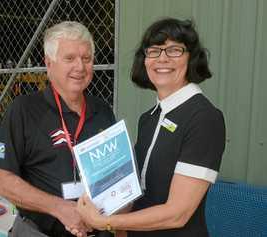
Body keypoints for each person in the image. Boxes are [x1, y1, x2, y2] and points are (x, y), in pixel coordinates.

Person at [76, 18, 226, 237]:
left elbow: (178, 213)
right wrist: (96, 212)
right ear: (144, 60)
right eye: (154, 51)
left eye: (174, 50)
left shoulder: (204, 118)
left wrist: (105, 221)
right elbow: (135, 195)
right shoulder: (149, 118)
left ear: (191, 58)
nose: (162, 59)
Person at [0, 21, 115, 237]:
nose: (80, 67)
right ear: (49, 64)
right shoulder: (24, 110)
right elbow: (1, 180)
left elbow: (115, 173)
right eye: (69, 58)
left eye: (86, 59)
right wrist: (60, 208)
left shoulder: (103, 110)